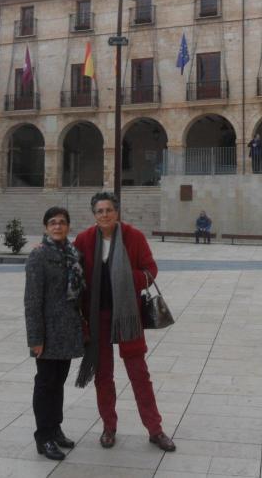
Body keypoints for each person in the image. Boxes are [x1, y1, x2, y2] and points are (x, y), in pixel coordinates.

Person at [74, 191, 176, 453]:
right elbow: (73, 270)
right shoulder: (84, 239)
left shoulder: (134, 236)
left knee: (139, 374)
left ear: (117, 212)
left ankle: (155, 429)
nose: (105, 215)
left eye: (109, 210)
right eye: (100, 211)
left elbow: (150, 270)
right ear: (94, 214)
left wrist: (127, 277)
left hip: (128, 315)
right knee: (103, 375)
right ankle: (109, 427)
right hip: (97, 317)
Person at [24, 207, 86, 461]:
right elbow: (32, 301)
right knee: (45, 384)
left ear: (68, 226)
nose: (58, 226)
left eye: (62, 222)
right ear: (46, 227)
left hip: (67, 331)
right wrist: (35, 339)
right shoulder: (39, 255)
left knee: (58, 383)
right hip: (48, 335)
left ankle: (55, 427)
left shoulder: (72, 253)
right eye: (53, 222)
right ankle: (44, 436)